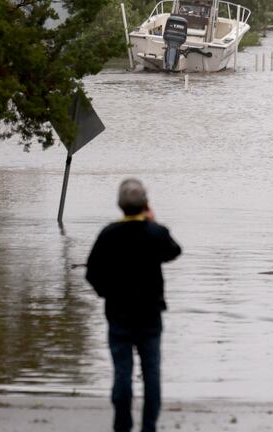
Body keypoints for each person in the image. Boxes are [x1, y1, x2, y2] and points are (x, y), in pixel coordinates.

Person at [86, 178, 183, 432]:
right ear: (145, 204)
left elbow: (92, 273)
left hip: (118, 314)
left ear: (120, 204)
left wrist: (106, 294)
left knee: (122, 372)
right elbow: (174, 251)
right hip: (150, 314)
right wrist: (153, 222)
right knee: (151, 374)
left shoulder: (109, 234)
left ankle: (122, 425)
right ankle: (148, 426)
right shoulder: (156, 233)